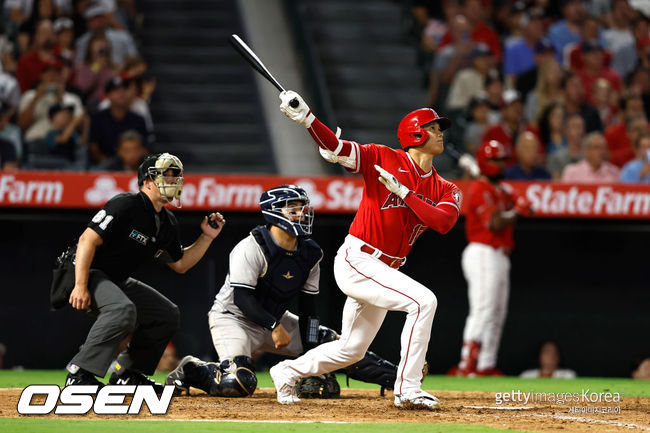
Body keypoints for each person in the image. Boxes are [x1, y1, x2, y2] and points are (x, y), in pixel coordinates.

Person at [268, 90, 461, 410]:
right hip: (359, 259)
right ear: (414, 133)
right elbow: (337, 148)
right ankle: (408, 388)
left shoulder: (445, 187)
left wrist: (405, 193)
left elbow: (443, 222)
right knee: (424, 301)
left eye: (440, 128)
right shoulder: (384, 156)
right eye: (432, 127)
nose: (440, 132)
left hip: (385, 269)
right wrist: (306, 118)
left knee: (351, 350)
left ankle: (286, 371)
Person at [165, 185, 399, 398]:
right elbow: (242, 298)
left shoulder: (310, 253)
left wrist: (312, 357)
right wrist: (273, 326)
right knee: (238, 382)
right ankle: (191, 369)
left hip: (274, 321)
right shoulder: (250, 247)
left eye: (302, 208)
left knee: (329, 341)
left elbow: (309, 311)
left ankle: (397, 376)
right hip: (234, 319)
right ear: (274, 213)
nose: (302, 214)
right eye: (294, 208)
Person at [58, 153, 226, 388]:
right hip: (84, 271)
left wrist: (206, 237)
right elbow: (87, 240)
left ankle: (127, 373)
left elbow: (180, 264)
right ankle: (78, 374)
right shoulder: (126, 204)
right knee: (122, 309)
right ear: (147, 182)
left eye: (174, 176)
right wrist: (80, 284)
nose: (172, 181)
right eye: (164, 176)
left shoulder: (166, 221)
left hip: (115, 279)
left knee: (166, 314)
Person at [448, 140, 532, 377]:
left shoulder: (499, 189)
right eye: (497, 160)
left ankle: (485, 364)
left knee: (496, 314)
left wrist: (516, 201)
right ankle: (467, 363)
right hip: (483, 251)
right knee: (483, 309)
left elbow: (526, 206)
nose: (501, 165)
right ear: (487, 162)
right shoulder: (480, 189)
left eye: (503, 160)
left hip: (500, 254)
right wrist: (516, 211)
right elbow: (495, 223)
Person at [87, 76, 149, 164]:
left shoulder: (138, 119)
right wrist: (108, 163)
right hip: (104, 165)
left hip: (132, 166)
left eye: (124, 90)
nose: (121, 94)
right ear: (108, 95)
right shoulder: (98, 118)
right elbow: (93, 146)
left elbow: (145, 147)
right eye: (116, 91)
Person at [547, 114, 586, 180]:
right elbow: (555, 183)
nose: (578, 131)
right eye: (574, 127)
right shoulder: (556, 157)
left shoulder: (588, 157)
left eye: (580, 127)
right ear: (566, 131)